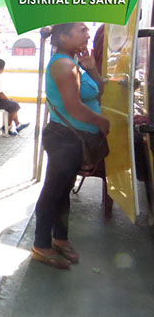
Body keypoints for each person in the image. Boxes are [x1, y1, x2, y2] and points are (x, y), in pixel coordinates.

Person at [33, 23, 109, 269]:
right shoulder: (64, 66)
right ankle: (41, 246)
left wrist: (92, 68)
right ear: (63, 37)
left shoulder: (75, 63)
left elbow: (98, 90)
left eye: (87, 30)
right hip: (65, 139)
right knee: (53, 191)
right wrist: (102, 122)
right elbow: (74, 107)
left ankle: (60, 239)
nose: (88, 34)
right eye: (82, 30)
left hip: (75, 139)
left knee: (64, 190)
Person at [0, 59, 30, 135]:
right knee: (15, 105)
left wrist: (9, 100)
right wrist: (8, 100)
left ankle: (18, 125)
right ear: (2, 69)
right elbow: (0, 94)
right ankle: (7, 127)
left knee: (12, 103)